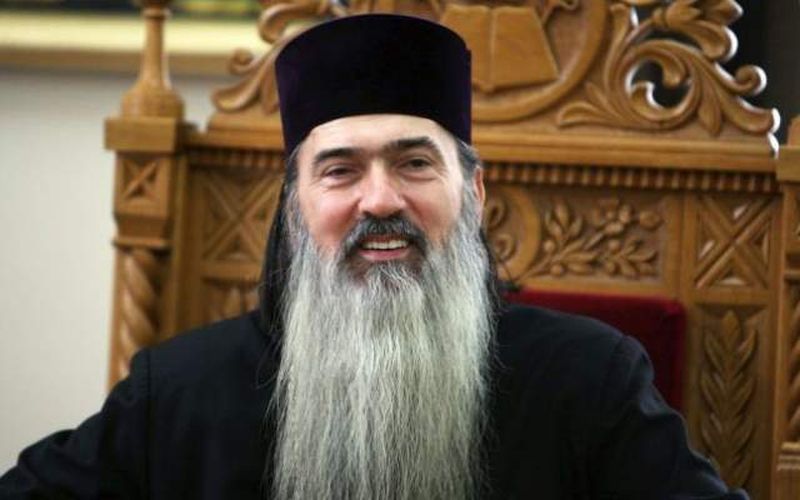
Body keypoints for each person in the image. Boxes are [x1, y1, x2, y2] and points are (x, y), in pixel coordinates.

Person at [1, 14, 747, 500]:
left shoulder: (588, 379)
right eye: (341, 170)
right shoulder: (179, 394)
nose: (381, 200)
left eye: (415, 163)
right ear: (296, 205)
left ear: (474, 193)